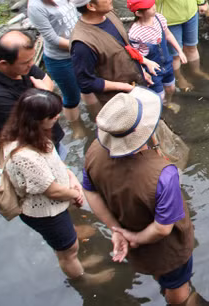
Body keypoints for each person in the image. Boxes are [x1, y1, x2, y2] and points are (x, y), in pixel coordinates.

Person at [82, 88, 197, 306]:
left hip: (129, 229)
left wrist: (117, 230)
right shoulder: (164, 174)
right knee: (176, 282)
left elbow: (90, 191)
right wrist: (134, 238)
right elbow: (163, 228)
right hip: (163, 247)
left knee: (159, 272)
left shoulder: (95, 151)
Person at [0, 89, 112, 285]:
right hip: (44, 212)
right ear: (37, 120)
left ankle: (72, 254)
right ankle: (82, 278)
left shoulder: (26, 134)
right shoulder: (25, 156)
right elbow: (51, 190)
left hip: (55, 202)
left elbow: (55, 162)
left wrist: (70, 177)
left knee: (67, 244)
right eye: (52, 115)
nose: (57, 117)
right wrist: (75, 193)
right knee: (67, 250)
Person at [69, 0, 158, 110]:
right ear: (91, 6)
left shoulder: (109, 13)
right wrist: (125, 87)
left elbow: (124, 46)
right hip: (119, 100)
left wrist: (141, 69)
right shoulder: (82, 43)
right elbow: (86, 82)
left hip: (136, 83)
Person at [25, 0, 85, 131]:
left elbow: (77, 15)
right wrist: (80, 44)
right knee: (72, 96)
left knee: (88, 86)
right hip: (60, 59)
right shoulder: (36, 5)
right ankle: (76, 128)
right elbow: (51, 37)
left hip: (78, 49)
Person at [0, 31, 63, 149]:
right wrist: (46, 95)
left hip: (50, 135)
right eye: (27, 62)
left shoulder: (21, 63)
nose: (32, 64)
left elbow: (46, 80)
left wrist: (45, 96)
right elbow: (23, 128)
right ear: (3, 64)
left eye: (32, 59)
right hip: (33, 147)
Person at [127, 0, 185, 102]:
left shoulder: (159, 18)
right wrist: (144, 71)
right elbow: (134, 54)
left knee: (171, 88)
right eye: (149, 6)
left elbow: (168, 34)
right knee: (159, 96)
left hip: (167, 63)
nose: (154, 7)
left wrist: (180, 51)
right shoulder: (135, 33)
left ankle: (169, 102)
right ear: (139, 13)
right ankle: (161, 109)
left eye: (153, 3)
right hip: (152, 69)